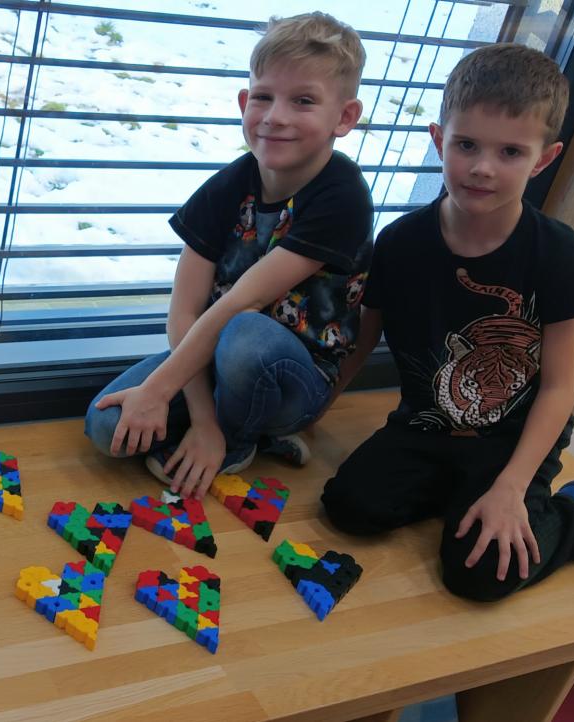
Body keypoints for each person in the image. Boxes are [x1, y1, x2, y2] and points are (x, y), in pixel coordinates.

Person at [321, 43, 574, 601]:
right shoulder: (399, 242)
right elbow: (363, 340)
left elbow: (559, 386)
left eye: (510, 152)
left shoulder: (556, 251)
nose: (482, 167)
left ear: (543, 159)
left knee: (479, 576)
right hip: (428, 423)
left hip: (514, 438)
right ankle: (460, 495)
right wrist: (315, 409)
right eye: (466, 145)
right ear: (438, 140)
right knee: (349, 509)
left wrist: (511, 485)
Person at [85, 12, 373, 499]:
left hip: (294, 375)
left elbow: (244, 302)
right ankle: (226, 428)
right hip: (219, 350)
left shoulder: (342, 196)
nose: (275, 116)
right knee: (107, 427)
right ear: (244, 102)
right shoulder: (228, 185)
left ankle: (240, 439)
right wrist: (198, 416)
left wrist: (161, 392)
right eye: (263, 97)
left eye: (303, 100)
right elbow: (184, 311)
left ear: (344, 117)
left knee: (246, 334)